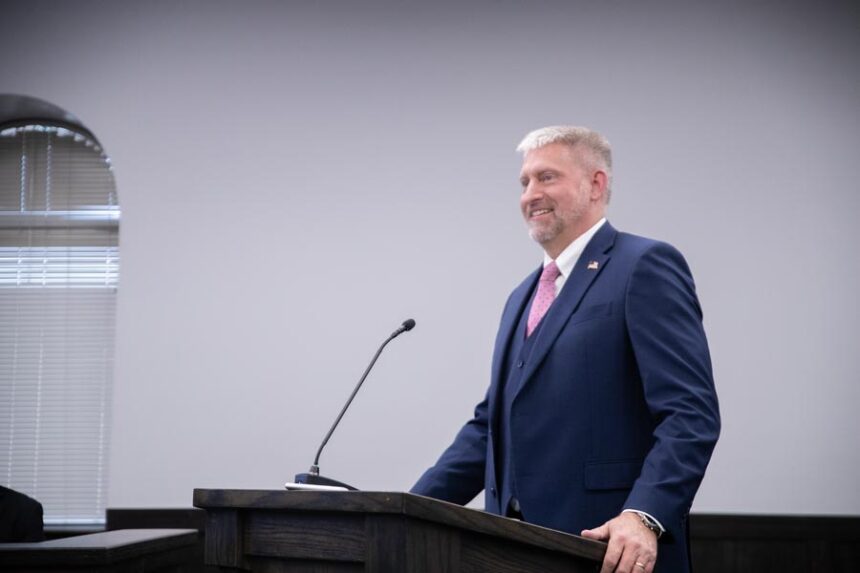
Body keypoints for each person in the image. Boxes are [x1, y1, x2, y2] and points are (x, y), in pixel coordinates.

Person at [411, 126, 720, 573]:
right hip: (510, 552)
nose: (530, 194)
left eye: (547, 177)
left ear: (596, 184)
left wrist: (644, 515)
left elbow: (690, 414)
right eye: (524, 182)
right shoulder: (521, 297)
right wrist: (405, 509)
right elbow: (490, 428)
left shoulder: (643, 265)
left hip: (605, 551)